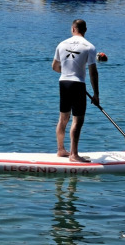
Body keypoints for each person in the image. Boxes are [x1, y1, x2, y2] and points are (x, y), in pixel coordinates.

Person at [52, 19, 99, 163]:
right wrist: (96, 94)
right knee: (77, 120)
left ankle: (61, 150)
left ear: (73, 29)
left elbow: (54, 66)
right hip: (78, 84)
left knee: (63, 118)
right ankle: (74, 154)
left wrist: (67, 72)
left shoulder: (61, 44)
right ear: (85, 30)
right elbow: (93, 72)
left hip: (64, 82)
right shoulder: (89, 47)